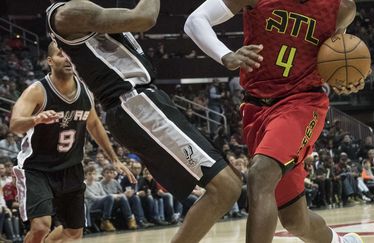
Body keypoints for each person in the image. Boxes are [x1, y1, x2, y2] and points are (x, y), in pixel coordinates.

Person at [47, 1, 242, 242]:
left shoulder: (85, 12)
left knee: (227, 187)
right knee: (226, 187)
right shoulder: (66, 14)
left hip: (143, 104)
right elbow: (145, 17)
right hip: (136, 106)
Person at [185, 0, 365, 242]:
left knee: (260, 174)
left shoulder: (341, 7)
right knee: (294, 219)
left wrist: (346, 78)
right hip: (255, 108)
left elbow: (336, 55)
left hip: (302, 103)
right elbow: (195, 20)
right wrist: (225, 55)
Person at [9, 42, 135, 243]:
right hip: (37, 169)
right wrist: (35, 119)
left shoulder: (85, 90)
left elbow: (94, 125)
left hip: (71, 168)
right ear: (50, 61)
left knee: (74, 232)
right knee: (41, 226)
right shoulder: (37, 91)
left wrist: (114, 159)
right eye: (60, 55)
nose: (67, 58)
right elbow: (15, 125)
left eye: (69, 54)